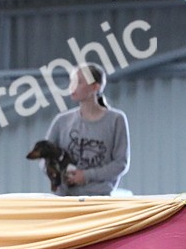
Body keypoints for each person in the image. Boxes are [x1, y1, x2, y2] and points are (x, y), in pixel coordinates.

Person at [43, 63, 129, 196]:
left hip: (99, 200)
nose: (72, 87)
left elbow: (120, 163)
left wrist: (86, 175)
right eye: (72, 82)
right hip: (66, 198)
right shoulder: (61, 121)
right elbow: (45, 157)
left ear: (95, 87)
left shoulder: (116, 120)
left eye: (79, 82)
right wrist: (58, 174)